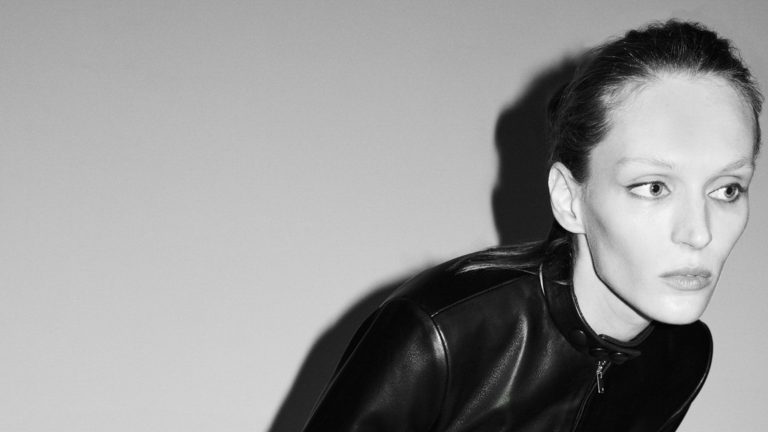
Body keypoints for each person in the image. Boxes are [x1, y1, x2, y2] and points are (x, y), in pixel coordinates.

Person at [302, 19, 763, 431]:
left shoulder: (680, 356)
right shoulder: (437, 335)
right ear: (569, 198)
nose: (698, 233)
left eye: (727, 189)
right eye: (654, 187)